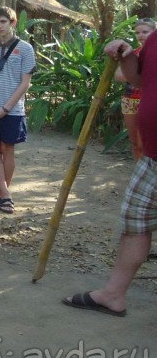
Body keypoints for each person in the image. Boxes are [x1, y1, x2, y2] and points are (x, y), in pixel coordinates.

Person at [63, 29, 157, 317]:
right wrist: (127, 56)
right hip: (152, 158)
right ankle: (114, 295)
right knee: (135, 220)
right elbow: (141, 80)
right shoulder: (154, 39)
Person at [0, 7, 36, 214]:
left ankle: (3, 193)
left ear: (13, 22)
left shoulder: (25, 48)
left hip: (12, 109)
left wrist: (5, 108)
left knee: (7, 149)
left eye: (3, 22)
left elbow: (25, 83)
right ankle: (4, 193)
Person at [115, 18, 156, 161]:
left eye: (145, 32)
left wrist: (134, 70)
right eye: (138, 32)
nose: (141, 35)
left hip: (147, 101)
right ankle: (138, 172)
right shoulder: (132, 52)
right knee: (135, 144)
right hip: (130, 99)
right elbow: (119, 75)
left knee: (144, 144)